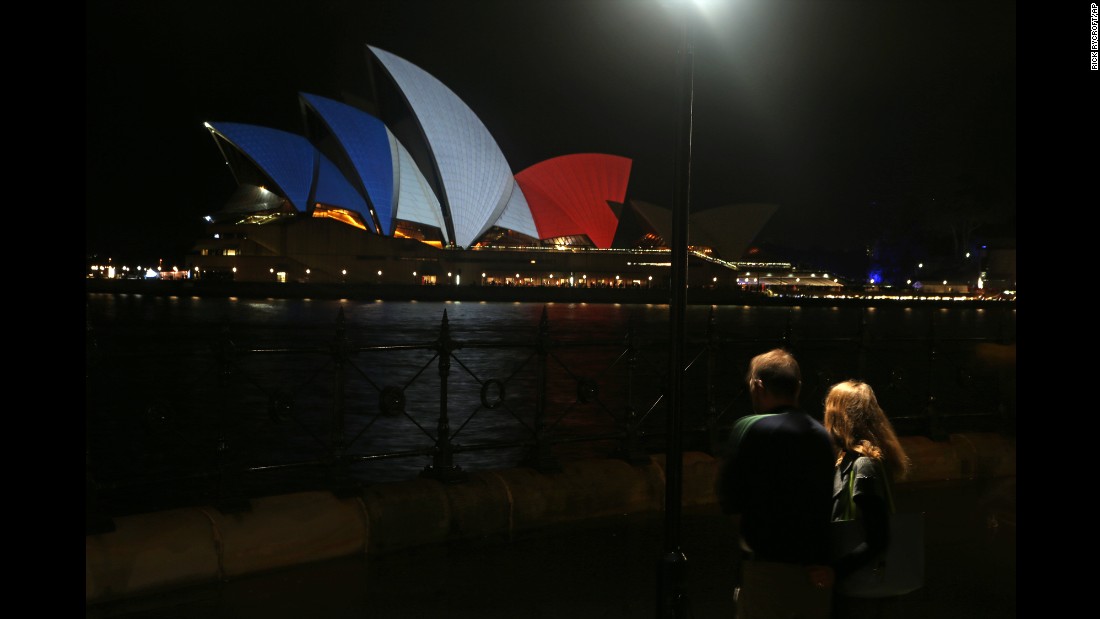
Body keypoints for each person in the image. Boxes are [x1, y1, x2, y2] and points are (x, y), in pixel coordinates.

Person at [716, 348, 837, 619]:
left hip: (766, 566)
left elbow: (730, 498)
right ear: (798, 387)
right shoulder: (820, 435)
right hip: (815, 570)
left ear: (758, 386)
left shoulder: (749, 428)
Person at [824, 379, 911, 619]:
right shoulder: (855, 460)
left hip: (863, 592)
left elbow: (878, 537)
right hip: (866, 588)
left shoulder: (864, 465)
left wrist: (835, 571)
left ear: (839, 416)